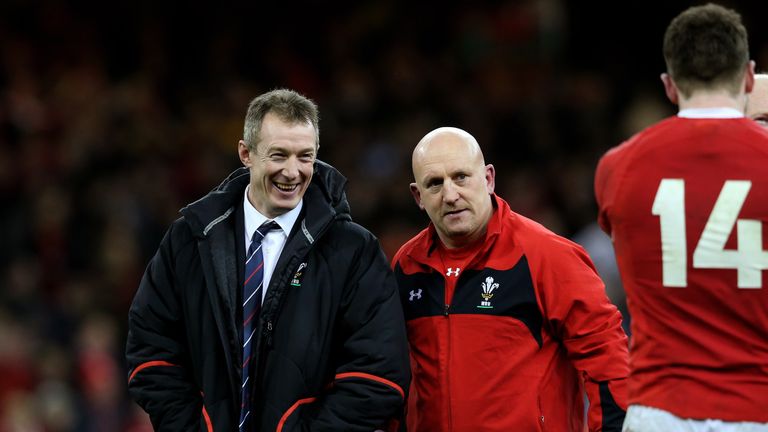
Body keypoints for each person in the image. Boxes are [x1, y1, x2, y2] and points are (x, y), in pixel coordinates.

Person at [126, 88, 410, 431]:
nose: (293, 172)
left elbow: (379, 373)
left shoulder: (353, 251)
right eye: (279, 155)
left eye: (305, 157)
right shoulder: (188, 240)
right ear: (246, 153)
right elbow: (150, 347)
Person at [595, 4, 768, 431]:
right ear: (748, 77)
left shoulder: (618, 167)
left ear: (669, 86)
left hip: (660, 409)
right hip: (756, 406)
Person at [393, 127, 629, 432]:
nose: (450, 195)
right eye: (435, 184)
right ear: (418, 196)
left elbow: (607, 358)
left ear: (489, 179)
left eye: (461, 177)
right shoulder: (407, 266)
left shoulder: (546, 255)